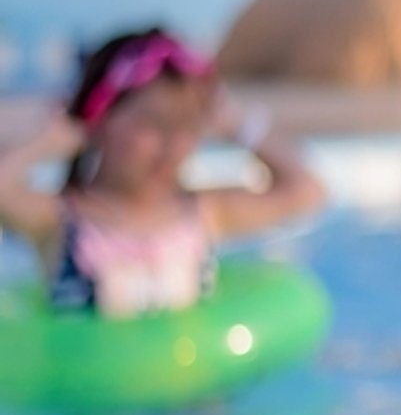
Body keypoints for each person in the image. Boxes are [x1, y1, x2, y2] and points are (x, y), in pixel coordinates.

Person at [0, 27, 325, 318]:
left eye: (187, 125)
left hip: (193, 387)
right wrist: (48, 142)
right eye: (151, 123)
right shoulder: (61, 220)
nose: (172, 144)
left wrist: (238, 125)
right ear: (98, 122)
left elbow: (306, 190)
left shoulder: (205, 212)